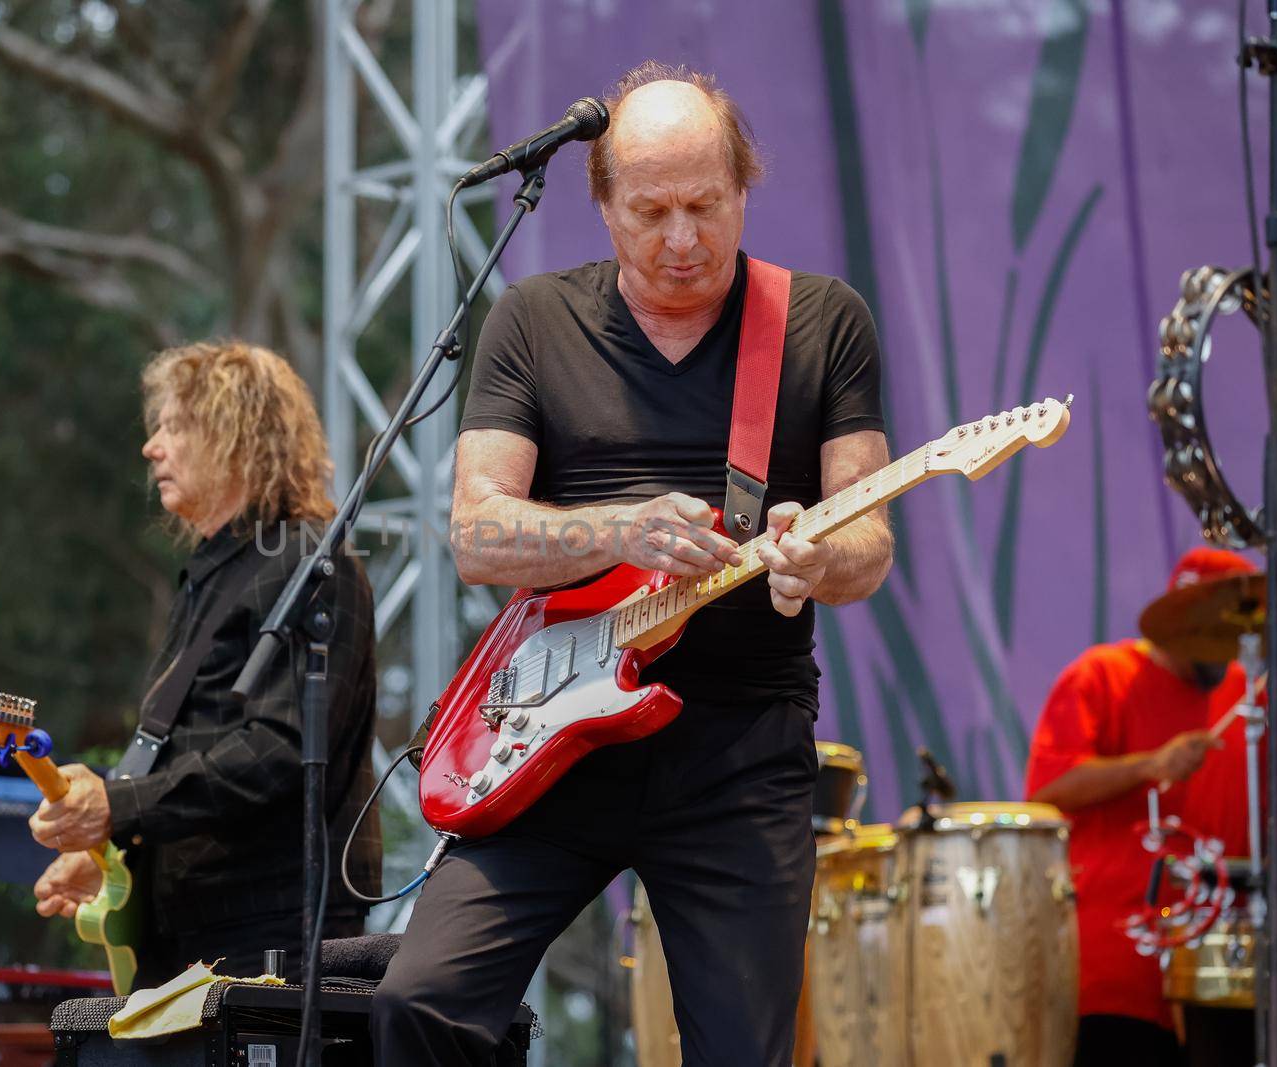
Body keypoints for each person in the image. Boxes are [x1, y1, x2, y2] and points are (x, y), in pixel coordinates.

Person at [371, 62, 894, 1066]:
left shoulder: (821, 321)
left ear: (744, 187)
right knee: (418, 1001)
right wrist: (618, 530)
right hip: (548, 732)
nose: (684, 238)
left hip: (736, 748)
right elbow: (477, 533)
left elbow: (867, 541)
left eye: (706, 204)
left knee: (743, 1048)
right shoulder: (531, 319)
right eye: (650, 211)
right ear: (601, 204)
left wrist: (814, 558)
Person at [27, 340, 382, 987]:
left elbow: (279, 749)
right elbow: (190, 753)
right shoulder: (213, 575)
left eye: (172, 425)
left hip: (275, 939)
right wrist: (121, 854)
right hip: (194, 934)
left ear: (232, 432)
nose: (150, 447)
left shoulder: (309, 563)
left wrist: (118, 804)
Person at [1025, 546, 1261, 1067]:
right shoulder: (1105, 674)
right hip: (1119, 966)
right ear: (1176, 619)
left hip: (1226, 966)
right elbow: (1048, 786)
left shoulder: (1249, 698)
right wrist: (1150, 765)